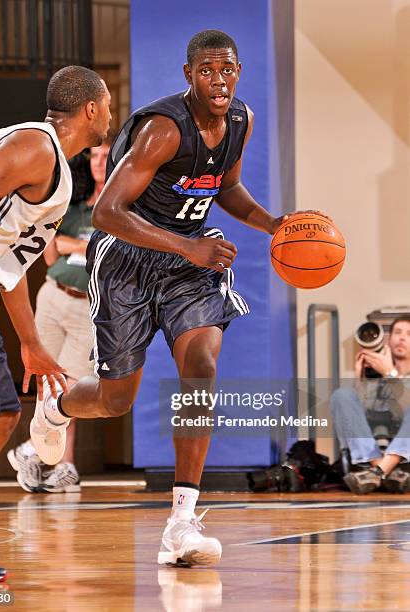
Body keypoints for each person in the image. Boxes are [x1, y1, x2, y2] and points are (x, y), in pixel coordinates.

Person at [30, 30, 318, 567]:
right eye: (207, 71)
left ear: (238, 72)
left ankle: (181, 521)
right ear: (189, 76)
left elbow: (225, 187)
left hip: (189, 265)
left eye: (227, 70)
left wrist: (272, 223)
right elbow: (108, 213)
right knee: (118, 400)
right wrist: (188, 246)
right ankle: (56, 408)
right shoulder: (163, 130)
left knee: (202, 367)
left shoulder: (240, 122)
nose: (219, 80)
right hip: (127, 262)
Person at [0, 65, 111, 582]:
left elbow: (8, 265)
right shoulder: (36, 146)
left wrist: (31, 343)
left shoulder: (58, 178)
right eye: (108, 105)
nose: (110, 114)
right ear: (91, 109)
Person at [8, 141, 112, 493]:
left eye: (105, 157)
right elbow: (51, 256)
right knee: (47, 381)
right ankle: (57, 463)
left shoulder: (119, 208)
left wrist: (77, 245)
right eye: (95, 156)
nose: (99, 162)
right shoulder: (75, 206)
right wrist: (69, 243)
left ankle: (36, 452)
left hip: (87, 305)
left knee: (71, 383)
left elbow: (110, 255)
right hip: (53, 295)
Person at [331, 316, 410, 494]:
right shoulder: (374, 373)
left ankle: (378, 472)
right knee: (342, 395)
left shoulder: (387, 372)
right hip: (373, 451)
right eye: (397, 332)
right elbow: (354, 414)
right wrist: (359, 378)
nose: (402, 338)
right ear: (388, 340)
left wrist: (390, 374)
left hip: (405, 458)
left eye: (409, 334)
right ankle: (382, 470)